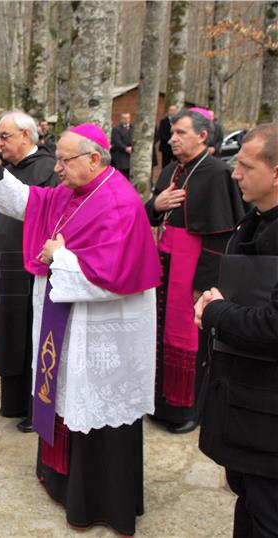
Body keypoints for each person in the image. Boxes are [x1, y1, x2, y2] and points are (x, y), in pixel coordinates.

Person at [0, 121, 162, 535]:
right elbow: (34, 203)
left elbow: (111, 274)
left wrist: (60, 255)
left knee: (91, 406)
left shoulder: (117, 202)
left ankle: (97, 502)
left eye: (64, 160)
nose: (56, 168)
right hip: (68, 326)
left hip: (101, 334)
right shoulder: (78, 192)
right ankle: (59, 480)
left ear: (95, 159)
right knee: (63, 396)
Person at [195, 123, 278, 537]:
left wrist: (216, 312)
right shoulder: (254, 222)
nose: (234, 173)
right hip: (247, 406)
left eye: (245, 166)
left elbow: (274, 325)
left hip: (269, 421)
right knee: (248, 503)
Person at [145, 109, 245, 433]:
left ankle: (188, 409)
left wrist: (203, 283)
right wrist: (156, 205)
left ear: (202, 136)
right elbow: (151, 215)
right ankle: (160, 401)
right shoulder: (172, 170)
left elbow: (222, 235)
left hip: (193, 270)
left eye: (181, 133)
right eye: (172, 132)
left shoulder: (217, 173)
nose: (172, 138)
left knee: (189, 337)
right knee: (159, 333)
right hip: (164, 265)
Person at [0, 111, 59, 430]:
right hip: (6, 261)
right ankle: (12, 401)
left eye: (4, 137)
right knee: (9, 327)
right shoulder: (9, 168)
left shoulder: (48, 168)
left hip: (31, 267)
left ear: (26, 136)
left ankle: (33, 406)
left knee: (28, 330)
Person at [111, 112, 134, 179]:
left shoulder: (134, 127)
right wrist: (126, 148)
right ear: (121, 119)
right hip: (122, 155)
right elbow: (116, 141)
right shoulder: (116, 129)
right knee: (123, 175)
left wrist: (132, 148)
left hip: (132, 154)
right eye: (124, 118)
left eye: (128, 118)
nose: (126, 120)